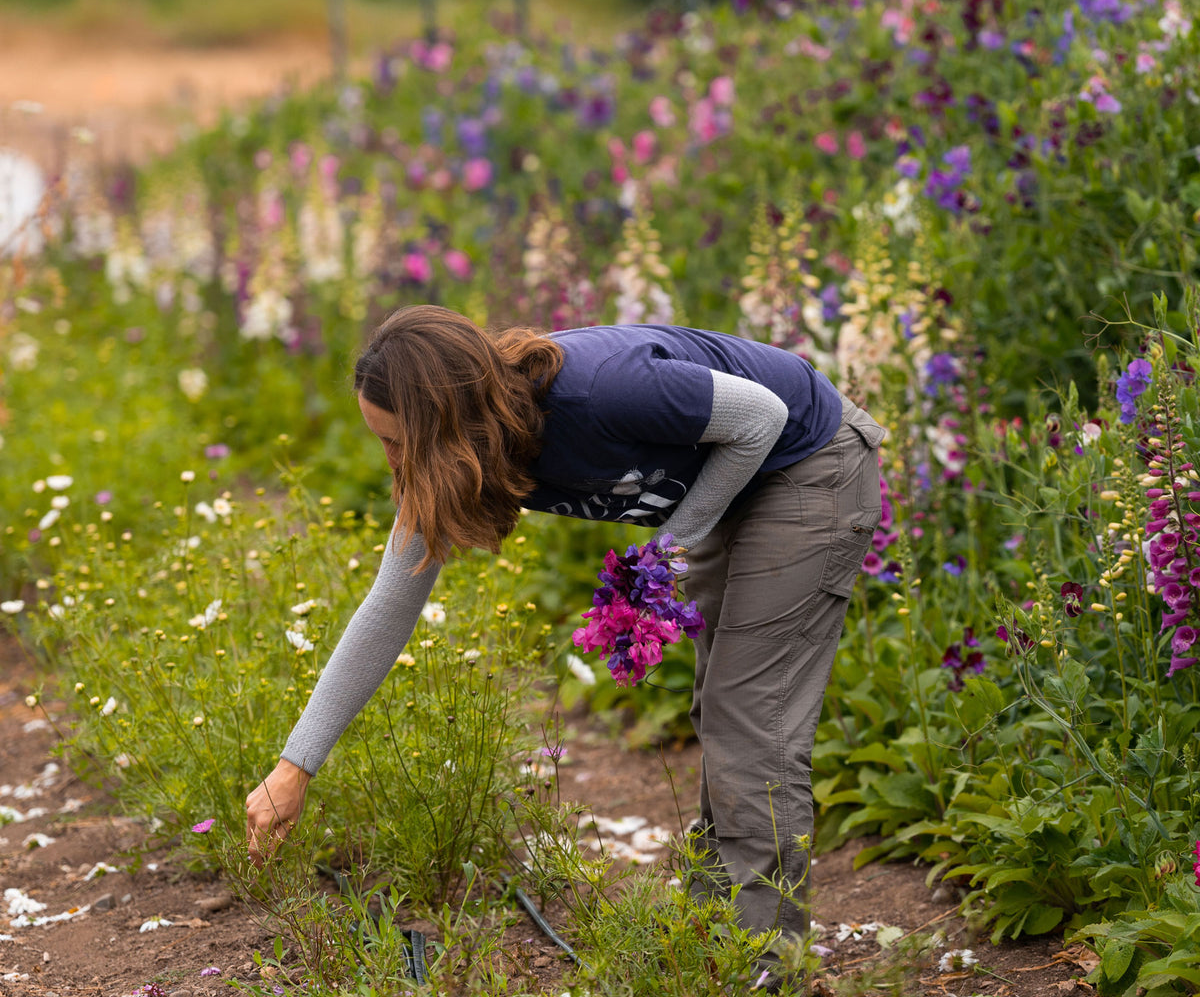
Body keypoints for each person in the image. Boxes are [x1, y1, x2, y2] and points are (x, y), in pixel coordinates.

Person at [245, 304, 884, 980]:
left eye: (398, 442)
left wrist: (669, 548)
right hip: (740, 479)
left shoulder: (605, 390)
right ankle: (715, 935)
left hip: (809, 464)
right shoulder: (463, 449)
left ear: (449, 424)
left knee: (751, 713)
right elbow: (388, 608)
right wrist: (295, 767)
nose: (392, 461)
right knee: (722, 707)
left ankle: (767, 966)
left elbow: (761, 418)